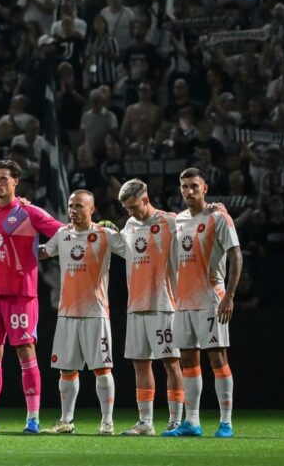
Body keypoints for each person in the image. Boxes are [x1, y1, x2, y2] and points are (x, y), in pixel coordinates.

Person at [0, 159, 63, 434]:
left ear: (16, 181)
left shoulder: (29, 212)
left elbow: (62, 233)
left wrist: (44, 251)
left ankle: (33, 418)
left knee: (25, 352)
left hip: (21, 295)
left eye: (3, 178)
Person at [38, 190, 125, 435]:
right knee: (67, 369)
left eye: (79, 206)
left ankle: (107, 422)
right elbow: (44, 251)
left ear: (92, 209)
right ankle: (66, 421)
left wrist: (120, 230)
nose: (73, 210)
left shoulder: (104, 235)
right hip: (66, 312)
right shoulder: (63, 234)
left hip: (95, 312)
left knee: (101, 368)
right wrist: (21, 248)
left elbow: (130, 252)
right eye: (70, 205)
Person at [165, 168, 242, 438]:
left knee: (217, 357)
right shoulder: (178, 220)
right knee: (187, 358)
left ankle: (225, 422)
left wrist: (229, 296)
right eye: (184, 186)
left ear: (205, 188)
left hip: (211, 299)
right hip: (183, 301)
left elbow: (236, 256)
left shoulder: (219, 217)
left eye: (194, 186)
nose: (189, 191)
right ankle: (192, 422)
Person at [116, 178, 182, 436]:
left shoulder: (171, 221)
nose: (130, 213)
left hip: (164, 304)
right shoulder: (130, 225)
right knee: (140, 363)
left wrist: (215, 210)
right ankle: (146, 422)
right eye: (126, 209)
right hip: (136, 305)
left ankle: (176, 420)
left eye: (133, 207)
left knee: (171, 362)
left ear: (145, 199)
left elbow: (199, 223)